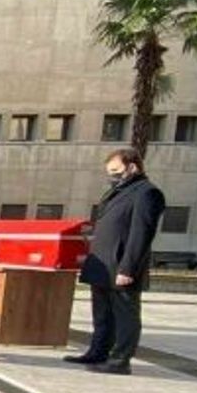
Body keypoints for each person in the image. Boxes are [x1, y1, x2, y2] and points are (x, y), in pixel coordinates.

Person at [67, 148, 166, 375]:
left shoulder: (147, 193)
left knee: (125, 315)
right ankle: (97, 352)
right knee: (101, 313)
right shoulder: (118, 191)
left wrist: (128, 268)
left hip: (121, 265)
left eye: (116, 171)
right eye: (109, 172)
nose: (112, 176)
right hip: (102, 264)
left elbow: (141, 234)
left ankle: (121, 360)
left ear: (132, 167)